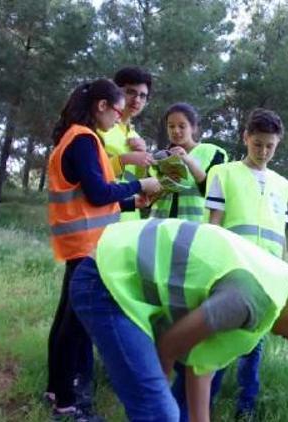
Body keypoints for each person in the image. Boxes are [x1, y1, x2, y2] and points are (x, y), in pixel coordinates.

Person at [70, 218, 288, 422]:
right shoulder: (249, 300)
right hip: (104, 282)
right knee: (161, 413)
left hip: (113, 279)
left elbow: (201, 367)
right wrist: (157, 394)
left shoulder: (272, 291)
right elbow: (168, 347)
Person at [45, 78, 163, 420]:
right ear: (101, 107)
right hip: (86, 245)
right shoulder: (84, 139)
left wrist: (130, 200)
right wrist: (141, 182)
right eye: (117, 110)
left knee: (66, 322)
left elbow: (92, 197)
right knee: (74, 325)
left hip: (78, 241)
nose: (119, 118)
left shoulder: (73, 136)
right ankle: (68, 404)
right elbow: (98, 193)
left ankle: (57, 390)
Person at [183, 108, 288, 420]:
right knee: (217, 342)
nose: (264, 151)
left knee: (254, 343)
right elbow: (214, 225)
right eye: (258, 144)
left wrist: (283, 273)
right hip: (233, 273)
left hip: (267, 275)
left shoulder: (282, 184)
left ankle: (246, 407)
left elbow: (281, 233)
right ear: (246, 138)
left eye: (270, 145)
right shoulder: (223, 174)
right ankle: (204, 406)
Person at [97, 66, 156, 221]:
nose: (137, 100)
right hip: (100, 216)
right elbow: (90, 175)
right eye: (131, 92)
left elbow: (134, 182)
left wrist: (145, 165)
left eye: (143, 96)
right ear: (116, 92)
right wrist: (124, 159)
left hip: (130, 218)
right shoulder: (98, 128)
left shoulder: (136, 137)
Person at [152, 102, 228, 221]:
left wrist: (188, 160)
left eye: (182, 126)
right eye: (171, 126)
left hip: (194, 228)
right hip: (159, 227)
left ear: (193, 128)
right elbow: (147, 199)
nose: (176, 131)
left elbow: (213, 194)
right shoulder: (159, 157)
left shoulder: (214, 153)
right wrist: (163, 185)